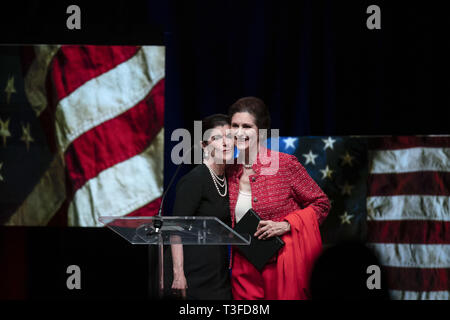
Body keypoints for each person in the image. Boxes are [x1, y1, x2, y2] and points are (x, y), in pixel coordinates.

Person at [227, 97, 330, 300]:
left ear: (262, 131)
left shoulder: (284, 165)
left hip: (282, 265)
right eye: (234, 125)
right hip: (242, 268)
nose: (239, 132)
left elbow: (322, 203)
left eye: (247, 126)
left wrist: (287, 224)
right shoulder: (227, 170)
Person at [169, 114, 234, 300]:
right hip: (194, 273)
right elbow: (175, 229)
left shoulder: (230, 178)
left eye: (229, 137)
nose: (225, 143)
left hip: (220, 274)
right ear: (204, 145)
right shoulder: (195, 179)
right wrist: (179, 274)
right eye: (217, 138)